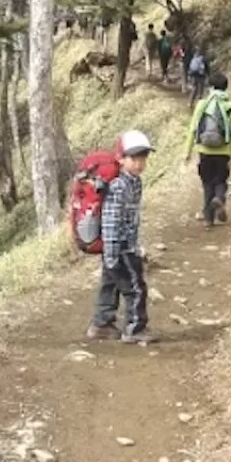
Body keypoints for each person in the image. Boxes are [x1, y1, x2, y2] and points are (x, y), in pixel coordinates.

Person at [88, 129, 157, 344]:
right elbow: (110, 221)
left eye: (143, 158)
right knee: (135, 288)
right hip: (120, 247)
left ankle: (101, 324)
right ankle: (135, 329)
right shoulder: (118, 186)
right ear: (121, 159)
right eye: (134, 158)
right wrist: (112, 252)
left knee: (109, 284)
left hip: (124, 246)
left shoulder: (135, 182)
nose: (139, 163)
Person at [184, 73, 231, 228]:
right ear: (226, 87)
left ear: (210, 87)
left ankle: (209, 220)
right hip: (223, 151)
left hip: (204, 150)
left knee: (206, 183)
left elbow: (193, 129)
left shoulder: (202, 104)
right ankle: (219, 198)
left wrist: (187, 151)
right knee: (221, 181)